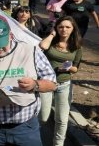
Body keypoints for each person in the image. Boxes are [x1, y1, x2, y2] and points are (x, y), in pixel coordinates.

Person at [39, 16, 82, 146]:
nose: (64, 29)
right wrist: (52, 34)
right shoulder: (51, 42)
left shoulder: (77, 46)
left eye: (68, 27)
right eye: (61, 26)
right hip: (46, 83)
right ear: (56, 28)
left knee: (62, 119)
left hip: (64, 84)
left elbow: (76, 68)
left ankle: (58, 144)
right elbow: (42, 45)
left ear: (73, 29)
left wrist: (69, 68)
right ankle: (36, 141)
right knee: (43, 117)